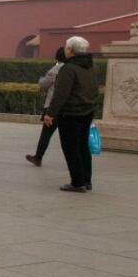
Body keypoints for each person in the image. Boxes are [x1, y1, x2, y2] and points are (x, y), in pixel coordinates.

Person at [44, 36, 98, 193]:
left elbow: (60, 94)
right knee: (82, 146)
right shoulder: (91, 66)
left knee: (70, 148)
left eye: (67, 47)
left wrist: (50, 114)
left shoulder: (68, 69)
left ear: (70, 50)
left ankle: (77, 182)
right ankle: (86, 180)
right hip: (87, 111)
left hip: (71, 113)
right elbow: (95, 88)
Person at [26, 47, 66, 167]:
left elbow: (43, 84)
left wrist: (40, 79)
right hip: (69, 108)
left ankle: (38, 157)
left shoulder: (56, 69)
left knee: (46, 134)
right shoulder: (75, 68)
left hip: (52, 106)